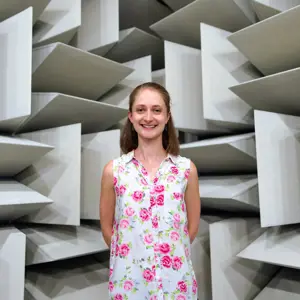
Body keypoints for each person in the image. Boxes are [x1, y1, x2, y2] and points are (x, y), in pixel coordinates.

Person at [100, 82, 201, 300]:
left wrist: (165, 250)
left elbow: (190, 229)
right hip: (130, 286)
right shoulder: (114, 171)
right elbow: (108, 230)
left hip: (176, 285)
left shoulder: (186, 170)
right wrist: (134, 255)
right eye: (141, 109)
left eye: (156, 110)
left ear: (167, 117)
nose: (148, 117)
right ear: (130, 116)